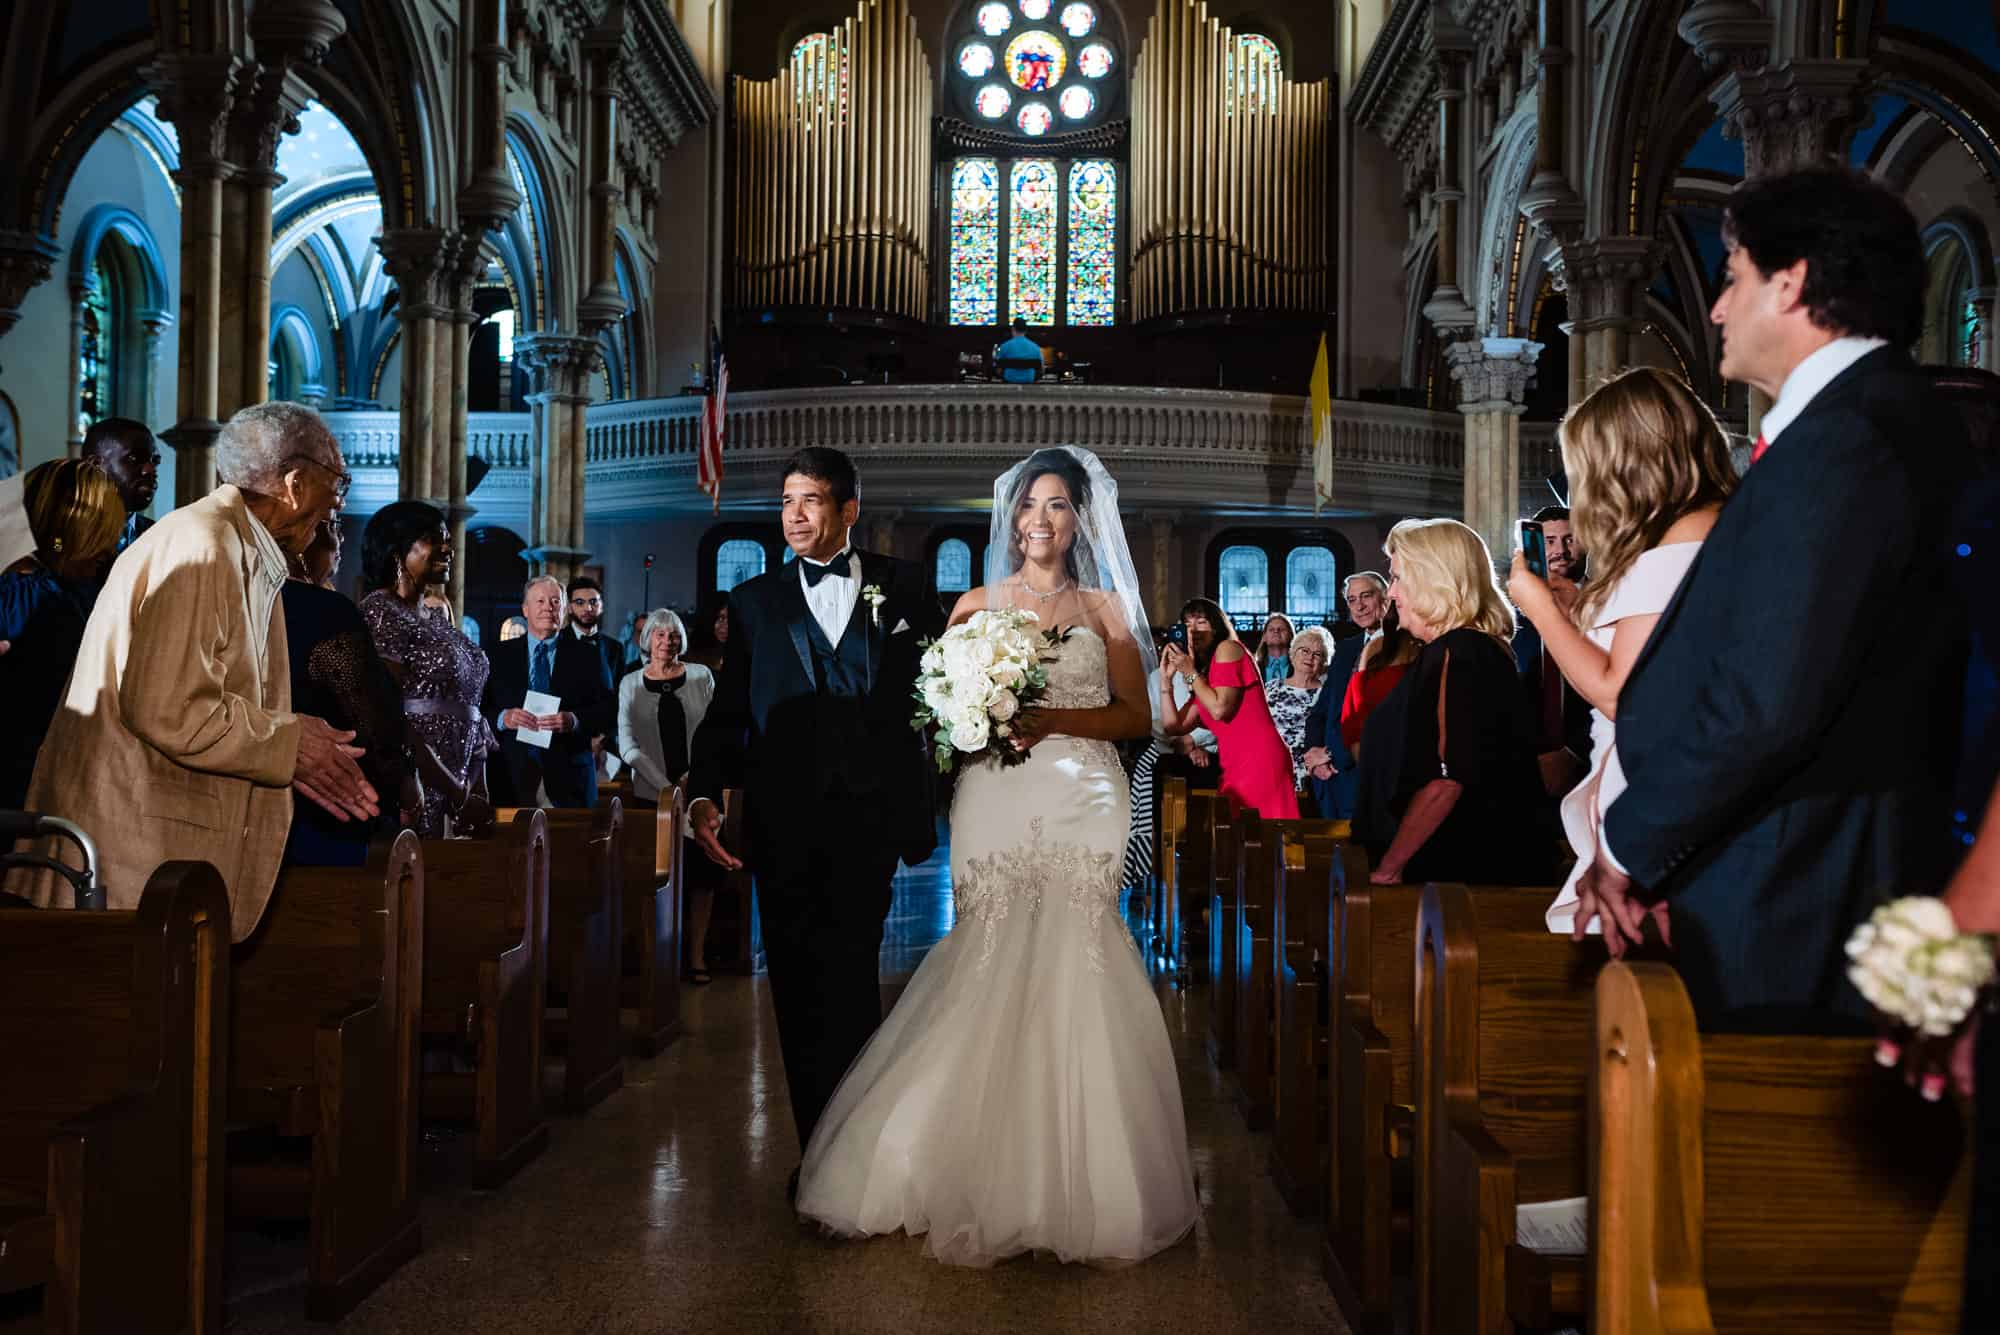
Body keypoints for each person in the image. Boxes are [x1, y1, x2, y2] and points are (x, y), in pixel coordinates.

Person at [1573, 165, 1974, 1031]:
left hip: (1800, 897)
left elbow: (1765, 701)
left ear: (1790, 282)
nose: (1717, 308)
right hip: (1781, 873)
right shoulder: (1862, 426)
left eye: (1733, 277)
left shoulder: (1847, 442)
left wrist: (1630, 845)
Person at [795, 445, 1198, 1266]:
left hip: (1084, 794)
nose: (1039, 520)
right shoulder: (975, 604)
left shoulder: (1109, 610)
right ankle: (955, 1162)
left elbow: (1134, 718)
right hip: (995, 792)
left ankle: (1077, 1179)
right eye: (1028, 506)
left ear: (1079, 519)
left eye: (1055, 506)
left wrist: (1049, 720)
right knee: (989, 948)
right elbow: (934, 707)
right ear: (1010, 518)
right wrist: (966, 715)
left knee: (1075, 954)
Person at [7, 401, 378, 940]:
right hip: (128, 868)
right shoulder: (205, 548)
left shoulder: (237, 547)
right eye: (336, 483)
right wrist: (289, 742)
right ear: (295, 484)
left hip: (151, 866)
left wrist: (292, 742)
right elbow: (170, 707)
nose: (335, 504)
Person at [686, 446, 942, 1169]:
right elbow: (732, 714)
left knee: (855, 982)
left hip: (871, 821)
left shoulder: (907, 587)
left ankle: (854, 1153)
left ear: (849, 510)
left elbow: (937, 691)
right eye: (787, 501)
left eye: (811, 501)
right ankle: (817, 1155)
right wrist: (705, 793)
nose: (794, 515)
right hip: (785, 821)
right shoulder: (756, 601)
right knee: (796, 990)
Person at [1506, 368, 1736, 933]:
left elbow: (1619, 693)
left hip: (1650, 798)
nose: (1580, 488)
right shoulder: (1714, 525)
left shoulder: (1676, 543)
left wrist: (1536, 608)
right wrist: (1576, 610)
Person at [1367, 518, 1549, 887]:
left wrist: (1388, 869)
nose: (1391, 593)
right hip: (1459, 870)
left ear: (1432, 580)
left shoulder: (1458, 651)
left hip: (1455, 875)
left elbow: (1446, 781)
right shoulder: (1471, 649)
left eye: (1399, 578)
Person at [361, 501, 497, 837]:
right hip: (419, 783)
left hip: (462, 778)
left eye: (448, 539)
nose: (448, 548)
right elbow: (387, 715)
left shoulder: (437, 619)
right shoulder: (380, 611)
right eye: (435, 539)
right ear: (398, 552)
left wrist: (476, 786)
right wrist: (453, 789)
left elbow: (470, 707)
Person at [283, 517, 408, 865]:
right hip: (338, 809)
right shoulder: (325, 613)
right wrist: (404, 788)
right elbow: (372, 727)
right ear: (305, 538)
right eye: (331, 526)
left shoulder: (246, 601)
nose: (339, 542)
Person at [0, 460, 125, 808]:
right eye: (102, 532)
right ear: (75, 528)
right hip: (28, 785)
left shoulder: (44, 588)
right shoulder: (43, 600)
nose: (110, 548)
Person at [616, 608, 722, 983]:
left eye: (674, 635)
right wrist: (667, 786)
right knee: (659, 878)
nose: (667, 641)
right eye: (659, 635)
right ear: (647, 641)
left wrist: (698, 776)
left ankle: (696, 957)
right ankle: (661, 960)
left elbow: (716, 731)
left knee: (702, 878)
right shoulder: (630, 682)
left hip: (700, 794)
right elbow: (627, 745)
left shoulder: (701, 676)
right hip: (652, 796)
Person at [482, 574, 615, 809]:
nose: (548, 608)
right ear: (525, 609)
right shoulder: (497, 655)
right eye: (540, 601)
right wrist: (504, 718)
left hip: (570, 777)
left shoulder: (589, 655)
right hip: (510, 777)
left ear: (564, 609)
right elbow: (479, 710)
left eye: (555, 601)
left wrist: (573, 720)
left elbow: (608, 710)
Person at [1160, 596, 1298, 819]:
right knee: (1239, 841)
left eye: (1201, 622)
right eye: (1187, 624)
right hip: (1234, 764)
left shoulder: (1228, 648)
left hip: (1259, 759)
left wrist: (1189, 672)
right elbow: (1173, 726)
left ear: (1217, 627)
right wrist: (1165, 681)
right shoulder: (1205, 677)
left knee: (1264, 838)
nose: (1193, 630)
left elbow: (1219, 709)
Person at [1514, 504, 1594, 799]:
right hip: (1524, 776)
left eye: (1569, 539)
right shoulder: (1512, 621)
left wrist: (1574, 753)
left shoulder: (1610, 606)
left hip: (1594, 764)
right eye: (1549, 542)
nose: (1560, 549)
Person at [1302, 572, 1387, 818]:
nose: (1359, 606)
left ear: (1385, 599)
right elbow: (1320, 712)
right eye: (1351, 600)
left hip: (1365, 774)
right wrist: (1314, 756)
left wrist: (1329, 754)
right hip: (1330, 779)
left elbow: (1375, 717)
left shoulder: (1400, 647)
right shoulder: (1346, 647)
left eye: (1366, 596)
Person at [1269, 624, 1331, 809]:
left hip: (1311, 775)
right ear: (1292, 654)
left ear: (1324, 662)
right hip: (1272, 769)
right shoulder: (1271, 688)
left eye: (1317, 654)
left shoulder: (1328, 694)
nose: (1309, 657)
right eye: (1304, 650)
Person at [81, 416, 160, 554]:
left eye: (154, 461)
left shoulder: (159, 536)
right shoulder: (60, 533)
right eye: (134, 459)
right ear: (95, 466)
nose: (150, 470)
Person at [685, 591, 729, 673]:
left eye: (730, 618)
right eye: (720, 618)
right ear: (709, 618)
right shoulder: (693, 652)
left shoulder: (745, 650)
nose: (726, 625)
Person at [995, 318, 1043, 384]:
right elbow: (1042, 370)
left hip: (1009, 383)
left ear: (1013, 329)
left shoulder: (1004, 346)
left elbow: (998, 369)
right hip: (1029, 382)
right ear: (1026, 331)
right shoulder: (1035, 347)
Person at [1255, 611, 1296, 687]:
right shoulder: (1254, 668)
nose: (1276, 631)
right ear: (1264, 637)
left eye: (1282, 629)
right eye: (1271, 629)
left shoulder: (1300, 668)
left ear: (1291, 636)